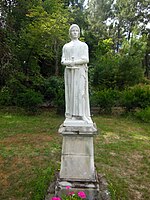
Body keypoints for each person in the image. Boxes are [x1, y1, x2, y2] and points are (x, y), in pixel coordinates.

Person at [61, 24, 92, 125]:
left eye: (76, 31)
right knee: (71, 94)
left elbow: (86, 59)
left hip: (80, 72)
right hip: (70, 72)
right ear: (70, 33)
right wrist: (69, 63)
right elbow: (63, 60)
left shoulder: (83, 45)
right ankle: (73, 115)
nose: (75, 32)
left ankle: (82, 115)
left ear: (79, 33)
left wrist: (75, 62)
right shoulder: (66, 46)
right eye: (73, 31)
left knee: (80, 93)